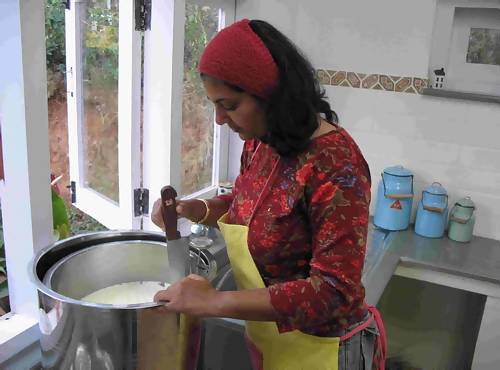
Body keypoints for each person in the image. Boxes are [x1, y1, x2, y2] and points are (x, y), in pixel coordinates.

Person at [152, 19, 386, 370]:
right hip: (270, 343)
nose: (218, 119)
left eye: (229, 106)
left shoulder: (335, 164)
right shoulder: (260, 142)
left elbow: (334, 291)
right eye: (214, 105)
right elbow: (252, 203)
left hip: (323, 351)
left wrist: (215, 301)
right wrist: (195, 209)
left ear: (270, 95)